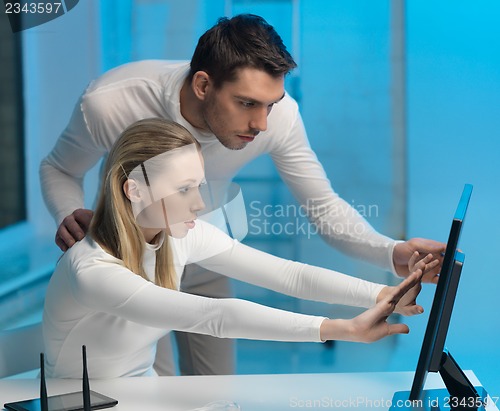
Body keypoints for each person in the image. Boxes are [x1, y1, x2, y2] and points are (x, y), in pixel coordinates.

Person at [39, 14, 445, 376]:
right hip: (127, 256)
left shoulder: (275, 119)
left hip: (191, 243)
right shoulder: (111, 103)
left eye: (272, 103)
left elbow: (314, 223)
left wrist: (391, 261)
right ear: (202, 84)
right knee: (144, 376)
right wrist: (68, 211)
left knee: (217, 390)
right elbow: (58, 168)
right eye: (247, 103)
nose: (262, 123)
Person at [42, 118, 435, 379]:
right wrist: (341, 329)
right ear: (134, 190)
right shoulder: (92, 271)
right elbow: (215, 315)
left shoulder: (176, 236)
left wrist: (384, 295)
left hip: (145, 394)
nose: (198, 203)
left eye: (198, 186)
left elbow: (287, 274)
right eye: (183, 190)